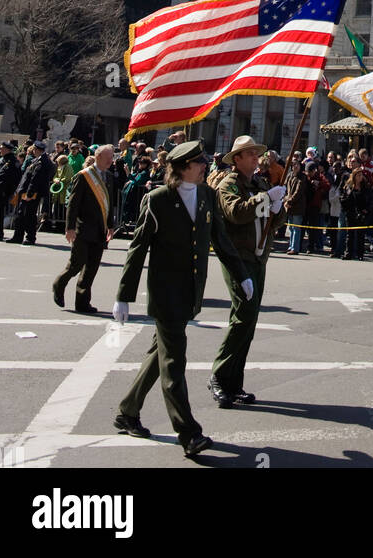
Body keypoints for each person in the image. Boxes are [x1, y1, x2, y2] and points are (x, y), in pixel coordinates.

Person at [113, 140, 249, 458]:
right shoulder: (157, 199)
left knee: (159, 352)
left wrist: (241, 273)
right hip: (165, 294)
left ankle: (127, 411)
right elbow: (138, 248)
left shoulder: (206, 195)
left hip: (190, 292)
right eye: (199, 163)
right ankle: (188, 433)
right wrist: (124, 295)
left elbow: (220, 237)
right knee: (174, 362)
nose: (206, 167)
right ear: (183, 167)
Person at [208, 135, 286, 408]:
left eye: (256, 153)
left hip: (257, 259)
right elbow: (236, 213)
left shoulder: (259, 182)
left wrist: (277, 207)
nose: (255, 157)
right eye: (249, 154)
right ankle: (219, 376)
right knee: (242, 318)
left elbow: (274, 222)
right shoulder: (229, 184)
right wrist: (265, 199)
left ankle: (234, 382)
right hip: (237, 258)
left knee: (249, 323)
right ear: (236, 159)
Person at [53, 143, 116, 312]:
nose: (112, 160)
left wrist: (110, 225)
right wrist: (70, 227)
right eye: (109, 157)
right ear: (99, 157)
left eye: (113, 157)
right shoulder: (84, 176)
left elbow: (109, 203)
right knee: (76, 263)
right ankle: (59, 283)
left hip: (100, 230)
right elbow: (73, 204)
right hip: (83, 228)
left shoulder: (109, 177)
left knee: (92, 267)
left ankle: (82, 302)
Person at [10, 140, 54, 243]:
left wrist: (29, 194)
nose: (33, 151)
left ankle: (30, 237)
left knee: (29, 215)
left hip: (32, 193)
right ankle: (18, 236)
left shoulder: (42, 162)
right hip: (26, 191)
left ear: (37, 150)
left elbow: (36, 180)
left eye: (34, 149)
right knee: (21, 214)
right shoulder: (37, 160)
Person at [341, 165, 373, 260]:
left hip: (361, 214)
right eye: (358, 175)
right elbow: (343, 199)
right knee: (349, 234)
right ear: (354, 176)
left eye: (361, 175)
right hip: (351, 213)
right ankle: (348, 253)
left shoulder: (366, 188)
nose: (360, 177)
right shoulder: (348, 187)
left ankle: (360, 254)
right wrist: (347, 208)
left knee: (360, 235)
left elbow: (370, 200)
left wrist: (366, 210)